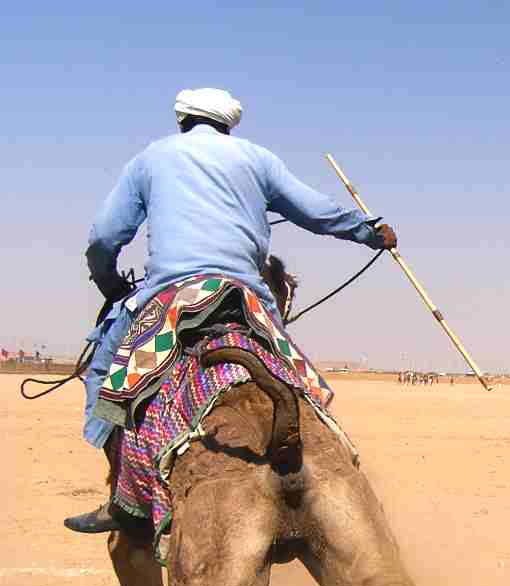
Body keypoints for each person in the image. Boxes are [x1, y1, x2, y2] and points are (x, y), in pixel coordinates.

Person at [66, 88, 396, 533]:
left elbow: (105, 236)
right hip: (247, 297)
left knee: (107, 375)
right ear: (228, 124)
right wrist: (369, 230)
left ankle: (123, 502)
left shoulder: (152, 158)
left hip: (172, 297)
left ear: (182, 119)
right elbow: (315, 211)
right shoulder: (259, 160)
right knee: (294, 373)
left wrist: (106, 279)